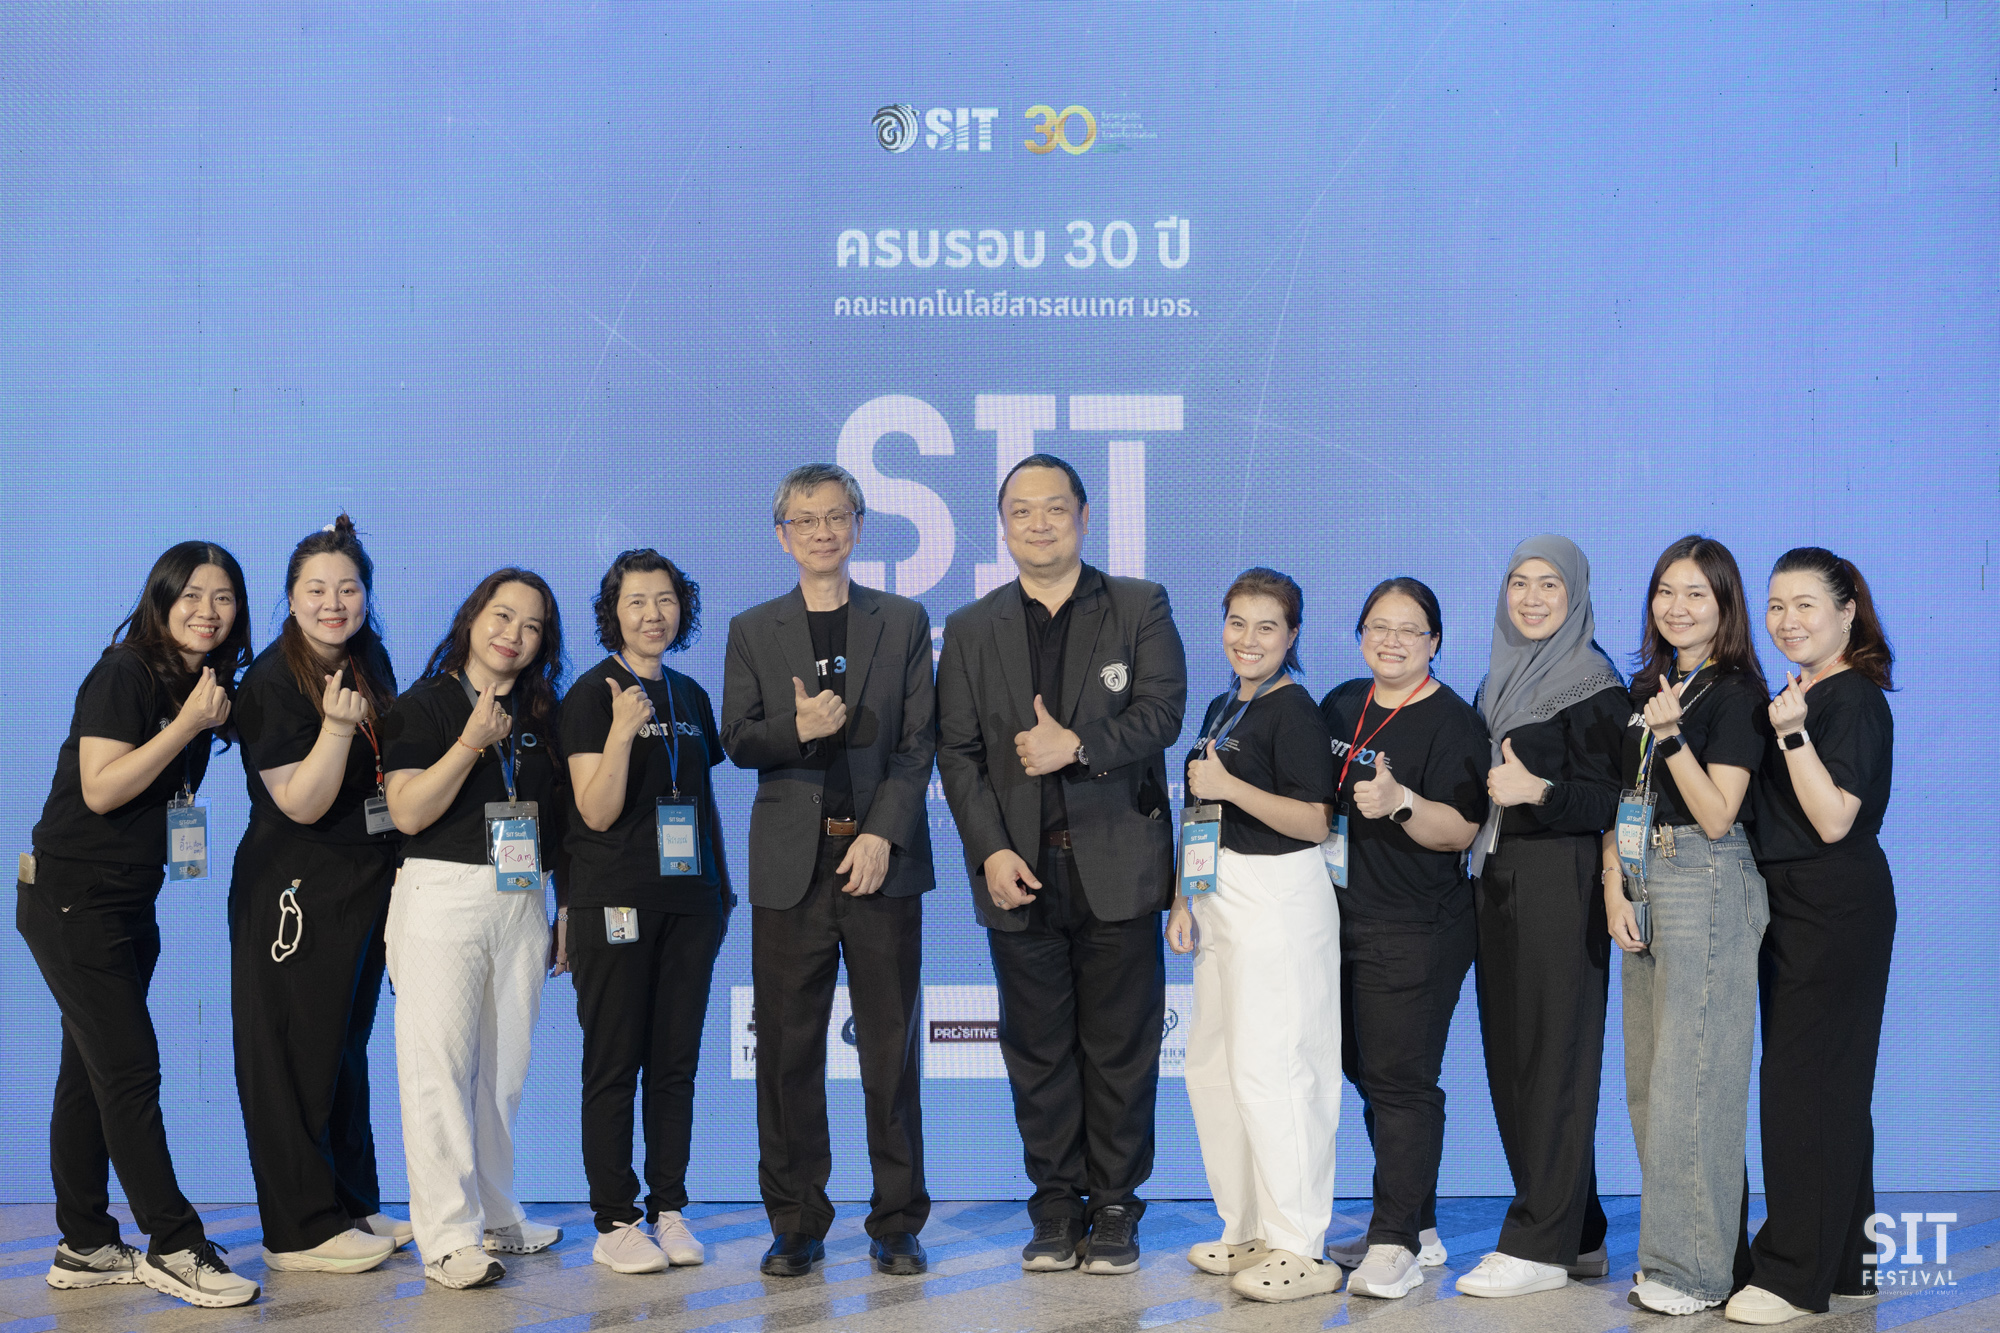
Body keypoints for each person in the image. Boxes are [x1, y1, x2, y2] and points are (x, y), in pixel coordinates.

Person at [937, 453, 1187, 1276]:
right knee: (1037, 1050)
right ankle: (1053, 1204)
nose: (1038, 523)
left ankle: (1114, 1206)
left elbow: (1162, 712)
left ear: (1084, 516)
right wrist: (990, 849)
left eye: (1054, 508)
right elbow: (958, 752)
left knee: (1121, 1050)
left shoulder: (1139, 604)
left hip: (1117, 865)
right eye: (1021, 510)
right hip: (1019, 870)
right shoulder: (971, 627)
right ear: (1002, 526)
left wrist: (1076, 744)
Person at [19, 541, 261, 1308]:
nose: (207, 611)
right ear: (160, 599)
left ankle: (86, 1243)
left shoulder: (203, 686)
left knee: (88, 1074)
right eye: (191, 595)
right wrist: (187, 726)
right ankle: (174, 1241)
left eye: (223, 597)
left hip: (128, 899)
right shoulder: (124, 673)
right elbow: (99, 788)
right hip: (73, 899)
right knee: (129, 1070)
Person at [721, 464, 936, 1278]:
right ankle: (796, 1220)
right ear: (783, 536)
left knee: (891, 1051)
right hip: (792, 865)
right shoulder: (753, 628)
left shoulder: (902, 620)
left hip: (881, 860)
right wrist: (799, 727)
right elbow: (739, 738)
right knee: (786, 1051)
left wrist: (882, 833)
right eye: (805, 520)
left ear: (858, 526)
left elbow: (919, 743)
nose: (822, 531)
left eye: (836, 516)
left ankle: (896, 1220)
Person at [230, 516, 409, 1275]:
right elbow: (300, 802)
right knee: (292, 1054)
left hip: (363, 880)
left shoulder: (368, 656)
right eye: (316, 590)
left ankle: (350, 1202)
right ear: (291, 597)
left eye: (349, 588)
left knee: (342, 1049)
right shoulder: (271, 680)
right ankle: (298, 1229)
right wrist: (336, 731)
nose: (334, 604)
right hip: (295, 888)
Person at [381, 568, 568, 1290]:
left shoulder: (544, 712)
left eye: (532, 625)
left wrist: (565, 907)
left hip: (522, 897)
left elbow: (562, 824)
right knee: (438, 1072)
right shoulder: (424, 704)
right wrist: (468, 742)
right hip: (441, 895)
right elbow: (406, 810)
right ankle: (448, 1236)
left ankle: (496, 1211)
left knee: (504, 1073)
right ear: (472, 618)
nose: (514, 634)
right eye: (502, 615)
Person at [1725, 548, 1898, 1327]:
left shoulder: (1850, 697)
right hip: (1793, 902)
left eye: (1805, 604)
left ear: (1847, 611)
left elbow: (1833, 819)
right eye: (1775, 605)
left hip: (1832, 905)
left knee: (1806, 1086)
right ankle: (1848, 1263)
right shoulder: (1799, 692)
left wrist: (1792, 736)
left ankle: (1795, 1275)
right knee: (1830, 1085)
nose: (1787, 620)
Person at [1602, 537, 1770, 1316]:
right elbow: (1624, 801)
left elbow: (1717, 811)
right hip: (1644, 876)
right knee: (1649, 1084)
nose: (1677, 606)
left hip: (1705, 875)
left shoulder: (1735, 693)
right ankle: (1696, 1255)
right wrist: (1614, 883)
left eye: (1697, 593)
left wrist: (1670, 737)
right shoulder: (1653, 685)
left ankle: (1692, 1272)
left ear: (1725, 604)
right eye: (1666, 590)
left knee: (1693, 1081)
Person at [1456, 535, 1625, 1299]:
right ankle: (1578, 1228)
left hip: (1563, 878)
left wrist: (1542, 792)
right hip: (1499, 878)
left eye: (1549, 584)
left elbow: (1622, 797)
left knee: (1555, 1058)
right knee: (1514, 1061)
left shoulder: (1594, 686)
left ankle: (1538, 1242)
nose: (1531, 597)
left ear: (1576, 594)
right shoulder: (1496, 681)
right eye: (1519, 582)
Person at [1166, 568, 1342, 1303]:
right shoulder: (1223, 706)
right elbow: (1199, 812)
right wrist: (1183, 897)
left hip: (1277, 897)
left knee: (1277, 1072)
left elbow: (1315, 821)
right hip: (1219, 899)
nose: (1248, 639)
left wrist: (1231, 787)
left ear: (1291, 634)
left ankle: (1300, 1245)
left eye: (1267, 626)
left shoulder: (1294, 711)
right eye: (1237, 622)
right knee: (1213, 1069)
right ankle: (1246, 1227)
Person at [1317, 577, 1488, 1300]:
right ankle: (1416, 1223)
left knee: (1401, 1081)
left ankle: (1393, 1242)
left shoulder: (1453, 722)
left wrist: (1401, 801)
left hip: (1417, 925)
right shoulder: (1340, 702)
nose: (1391, 641)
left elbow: (1463, 830)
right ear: (1361, 635)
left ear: (1434, 641)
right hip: (1338, 920)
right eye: (1377, 627)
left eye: (1409, 629)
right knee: (1364, 1069)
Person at [563, 549, 730, 1274]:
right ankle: (615, 1219)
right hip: (616, 901)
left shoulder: (690, 695)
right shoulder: (589, 694)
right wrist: (622, 729)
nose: (652, 614)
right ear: (614, 613)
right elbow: (596, 811)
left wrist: (719, 892)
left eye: (665, 599)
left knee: (674, 1064)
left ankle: (669, 1208)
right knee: (614, 1061)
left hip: (690, 903)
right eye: (636, 601)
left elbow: (699, 800)